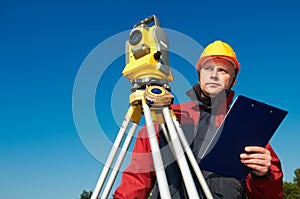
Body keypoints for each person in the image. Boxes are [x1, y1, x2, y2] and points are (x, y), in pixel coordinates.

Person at [113, 40, 283, 198]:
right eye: (208, 69)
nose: (214, 75)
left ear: (234, 80)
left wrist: (262, 175)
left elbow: (270, 194)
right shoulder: (168, 117)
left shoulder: (245, 126)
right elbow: (136, 179)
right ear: (199, 74)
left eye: (222, 70)